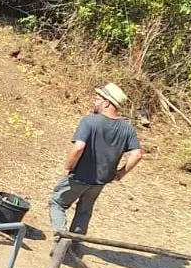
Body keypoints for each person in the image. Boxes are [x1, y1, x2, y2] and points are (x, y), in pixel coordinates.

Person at [49, 82, 143, 248]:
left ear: (107, 102)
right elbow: (137, 154)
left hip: (79, 176)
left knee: (57, 203)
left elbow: (78, 147)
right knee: (84, 212)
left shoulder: (90, 121)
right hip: (100, 181)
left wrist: (68, 167)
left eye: (97, 98)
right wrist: (120, 173)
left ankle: (60, 243)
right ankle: (74, 247)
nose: (95, 101)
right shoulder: (127, 129)